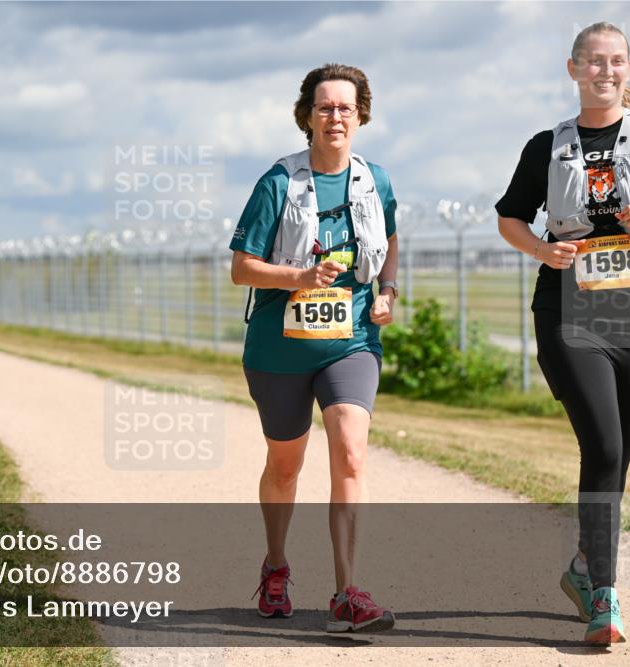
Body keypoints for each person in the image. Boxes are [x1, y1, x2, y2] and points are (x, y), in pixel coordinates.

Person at [229, 63, 399, 633]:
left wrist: (387, 291)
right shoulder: (277, 182)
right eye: (324, 107)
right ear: (307, 117)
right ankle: (276, 564)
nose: (335, 116)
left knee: (351, 451)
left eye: (345, 107)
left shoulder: (376, 180)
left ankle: (348, 591)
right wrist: (298, 279)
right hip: (279, 348)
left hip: (350, 342)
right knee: (286, 466)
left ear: (361, 115)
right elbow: (241, 269)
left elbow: (391, 240)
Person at [496, 21, 630, 645]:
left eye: (618, 62)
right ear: (573, 69)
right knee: (604, 446)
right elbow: (510, 219)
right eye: (595, 62)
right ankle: (604, 594)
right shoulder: (545, 146)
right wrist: (543, 252)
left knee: (620, 450)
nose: (606, 72)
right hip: (571, 312)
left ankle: (582, 566)